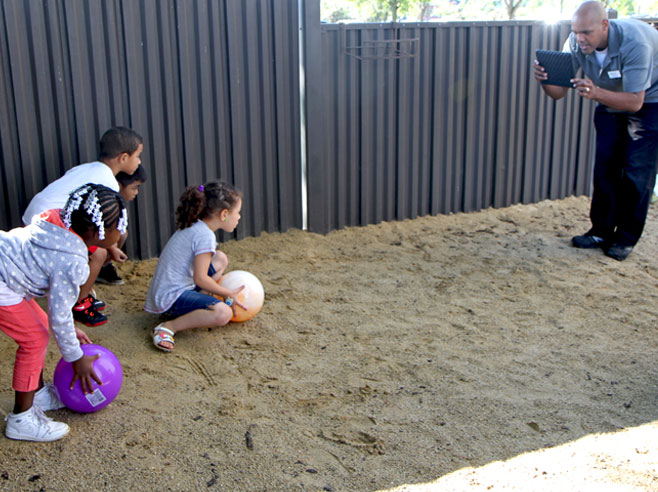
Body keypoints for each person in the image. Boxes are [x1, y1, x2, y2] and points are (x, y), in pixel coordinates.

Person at [1, 184, 128, 441]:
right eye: (117, 227)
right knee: (35, 339)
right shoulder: (72, 263)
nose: (121, 232)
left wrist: (72, 329)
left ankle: (35, 392)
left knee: (40, 324)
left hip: (7, 266)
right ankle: (22, 419)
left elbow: (55, 308)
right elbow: (59, 315)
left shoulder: (58, 219)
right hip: (4, 283)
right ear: (95, 232)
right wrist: (75, 357)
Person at [534, 1, 658, 261]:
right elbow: (558, 94)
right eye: (576, 31)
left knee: (637, 170)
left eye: (586, 33)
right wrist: (546, 79)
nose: (580, 38)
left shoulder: (636, 43)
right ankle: (600, 231)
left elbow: (635, 101)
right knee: (605, 166)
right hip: (608, 97)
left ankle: (625, 239)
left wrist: (596, 93)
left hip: (650, 100)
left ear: (604, 26)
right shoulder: (575, 42)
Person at [22, 127, 143, 323]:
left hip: (35, 213)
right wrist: (111, 249)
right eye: (138, 156)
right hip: (50, 221)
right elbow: (101, 229)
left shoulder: (85, 168)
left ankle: (85, 284)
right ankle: (78, 303)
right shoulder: (108, 184)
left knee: (99, 248)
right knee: (99, 253)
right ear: (123, 157)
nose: (139, 162)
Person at [145, 181, 246, 352]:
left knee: (220, 259)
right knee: (223, 314)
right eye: (238, 212)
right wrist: (228, 293)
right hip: (170, 298)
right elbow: (200, 278)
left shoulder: (197, 226)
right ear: (224, 214)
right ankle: (168, 327)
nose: (239, 217)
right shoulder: (204, 235)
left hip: (172, 289)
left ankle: (199, 303)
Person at [97, 165, 148, 286]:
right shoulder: (105, 200)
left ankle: (103, 267)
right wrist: (113, 249)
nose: (136, 192)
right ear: (120, 185)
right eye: (134, 188)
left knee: (122, 233)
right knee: (100, 252)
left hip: (102, 237)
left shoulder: (117, 202)